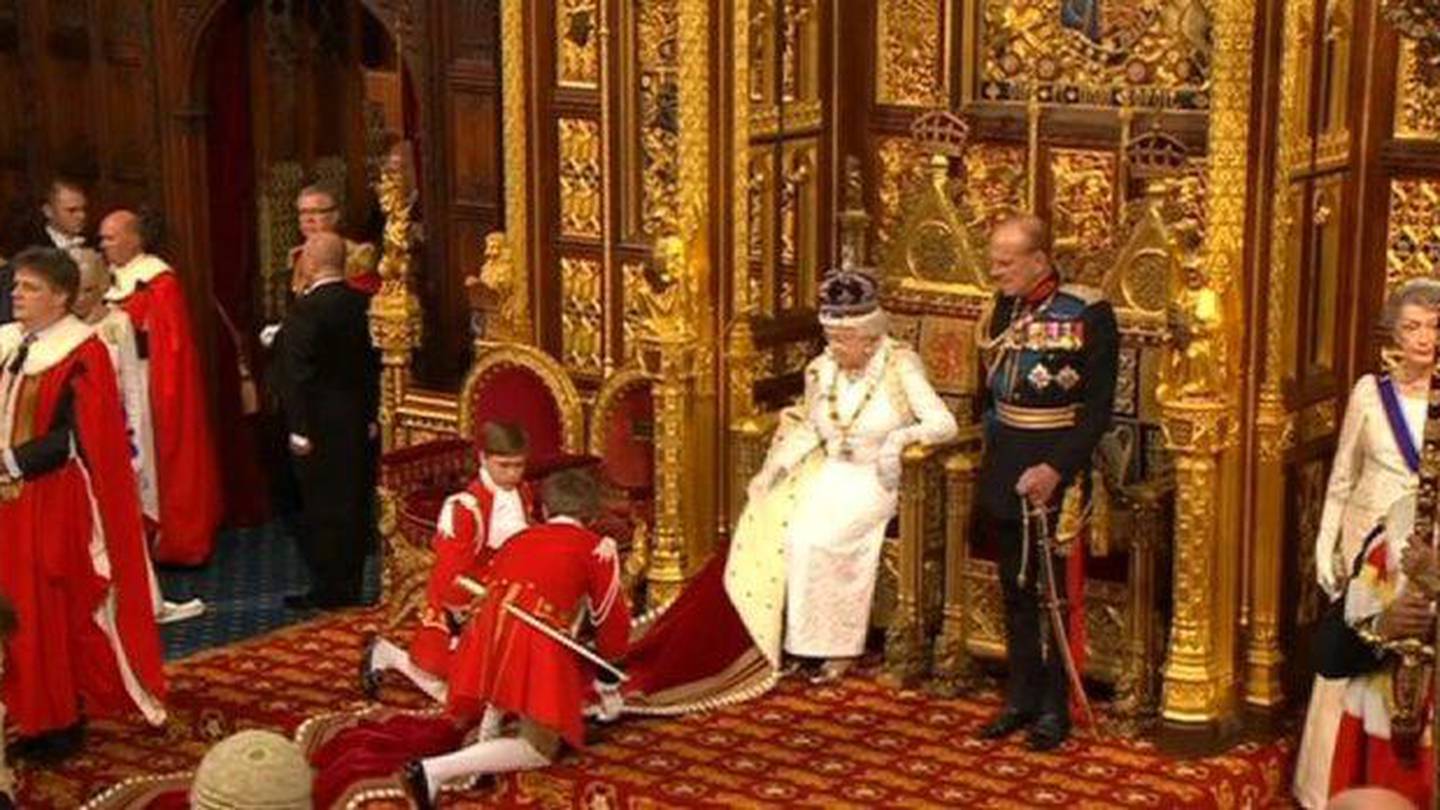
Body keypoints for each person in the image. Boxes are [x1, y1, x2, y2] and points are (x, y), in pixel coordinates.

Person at [0, 247, 166, 761]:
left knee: (43, 605)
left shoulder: (82, 351)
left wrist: (8, 460)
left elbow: (77, 438)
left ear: (61, 297)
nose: (16, 296)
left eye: (29, 288)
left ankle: (54, 721)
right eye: (16, 287)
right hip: (11, 499)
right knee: (14, 609)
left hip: (50, 497)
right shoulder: (15, 345)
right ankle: (23, 709)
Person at [400, 468, 630, 809]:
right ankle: (433, 770)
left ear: (544, 511)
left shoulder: (517, 540)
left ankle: (480, 761)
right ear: (594, 516)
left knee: (499, 693)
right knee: (539, 748)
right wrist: (608, 682)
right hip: (532, 636)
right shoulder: (599, 550)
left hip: (483, 630)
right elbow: (610, 621)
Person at [974, 214, 1118, 751]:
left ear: (1039, 260)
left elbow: (1098, 409)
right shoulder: (1000, 309)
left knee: (1052, 596)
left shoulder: (1086, 312)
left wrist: (1056, 469)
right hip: (1007, 460)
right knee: (1014, 589)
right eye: (994, 260)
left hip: (1059, 466)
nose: (996, 271)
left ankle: (1055, 708)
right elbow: (988, 394)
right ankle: (1020, 698)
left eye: (1006, 262)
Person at [1293, 280, 1440, 807]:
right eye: (1413, 326)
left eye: (1434, 327)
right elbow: (1340, 478)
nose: (1425, 338)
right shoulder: (1368, 393)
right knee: (1354, 652)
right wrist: (1325, 546)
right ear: (1394, 334)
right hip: (1367, 544)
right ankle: (1326, 785)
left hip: (1425, 545)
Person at [73, 250, 206, 625]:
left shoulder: (117, 324)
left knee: (125, 525)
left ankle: (145, 601)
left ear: (102, 288)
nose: (79, 299)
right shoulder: (65, 329)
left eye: (86, 290)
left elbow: (131, 386)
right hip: (75, 443)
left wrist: (133, 448)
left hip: (115, 437)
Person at [361, 422, 535, 703]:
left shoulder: (523, 492)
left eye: (519, 466)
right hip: (463, 600)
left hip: (504, 592)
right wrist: (462, 615)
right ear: (483, 459)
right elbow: (450, 573)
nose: (513, 474)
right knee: (459, 696)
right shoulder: (464, 508)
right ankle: (387, 654)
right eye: (504, 466)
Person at [101, 209, 222, 566]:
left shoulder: (158, 280)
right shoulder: (105, 279)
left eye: (111, 236)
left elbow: (169, 343)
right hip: (114, 383)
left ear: (135, 238)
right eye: (103, 237)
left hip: (146, 382)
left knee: (152, 459)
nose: (104, 244)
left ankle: (170, 537)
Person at [275, 232, 380, 608]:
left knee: (321, 505)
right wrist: (371, 415)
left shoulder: (306, 310)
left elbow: (296, 373)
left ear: (310, 263)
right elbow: (373, 366)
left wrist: (299, 428)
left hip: (317, 424)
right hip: (355, 419)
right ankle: (350, 584)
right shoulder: (363, 303)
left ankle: (329, 588)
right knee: (352, 501)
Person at [291, 184, 379, 296]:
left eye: (316, 212)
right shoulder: (297, 255)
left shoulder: (359, 255)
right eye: (303, 212)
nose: (308, 219)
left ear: (335, 215)